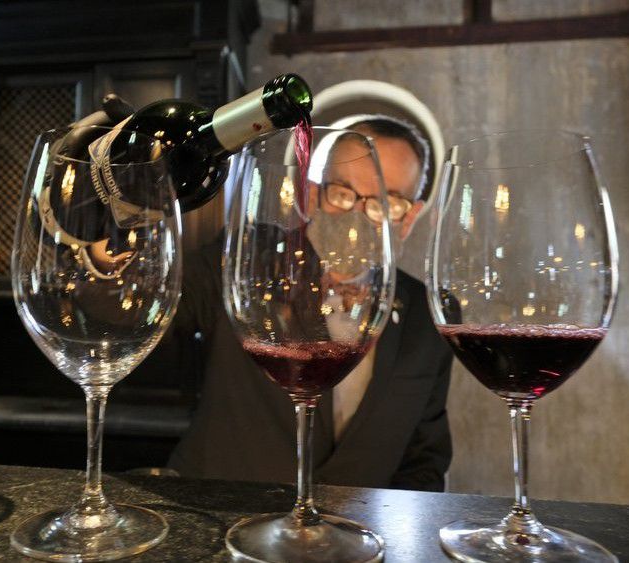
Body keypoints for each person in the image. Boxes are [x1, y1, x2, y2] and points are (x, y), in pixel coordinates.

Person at [165, 115, 454, 491]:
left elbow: (424, 460)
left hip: (356, 538)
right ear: (314, 194)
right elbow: (145, 311)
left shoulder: (429, 313)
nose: (358, 215)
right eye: (343, 193)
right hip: (224, 518)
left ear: (409, 217)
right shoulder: (247, 258)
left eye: (386, 202)